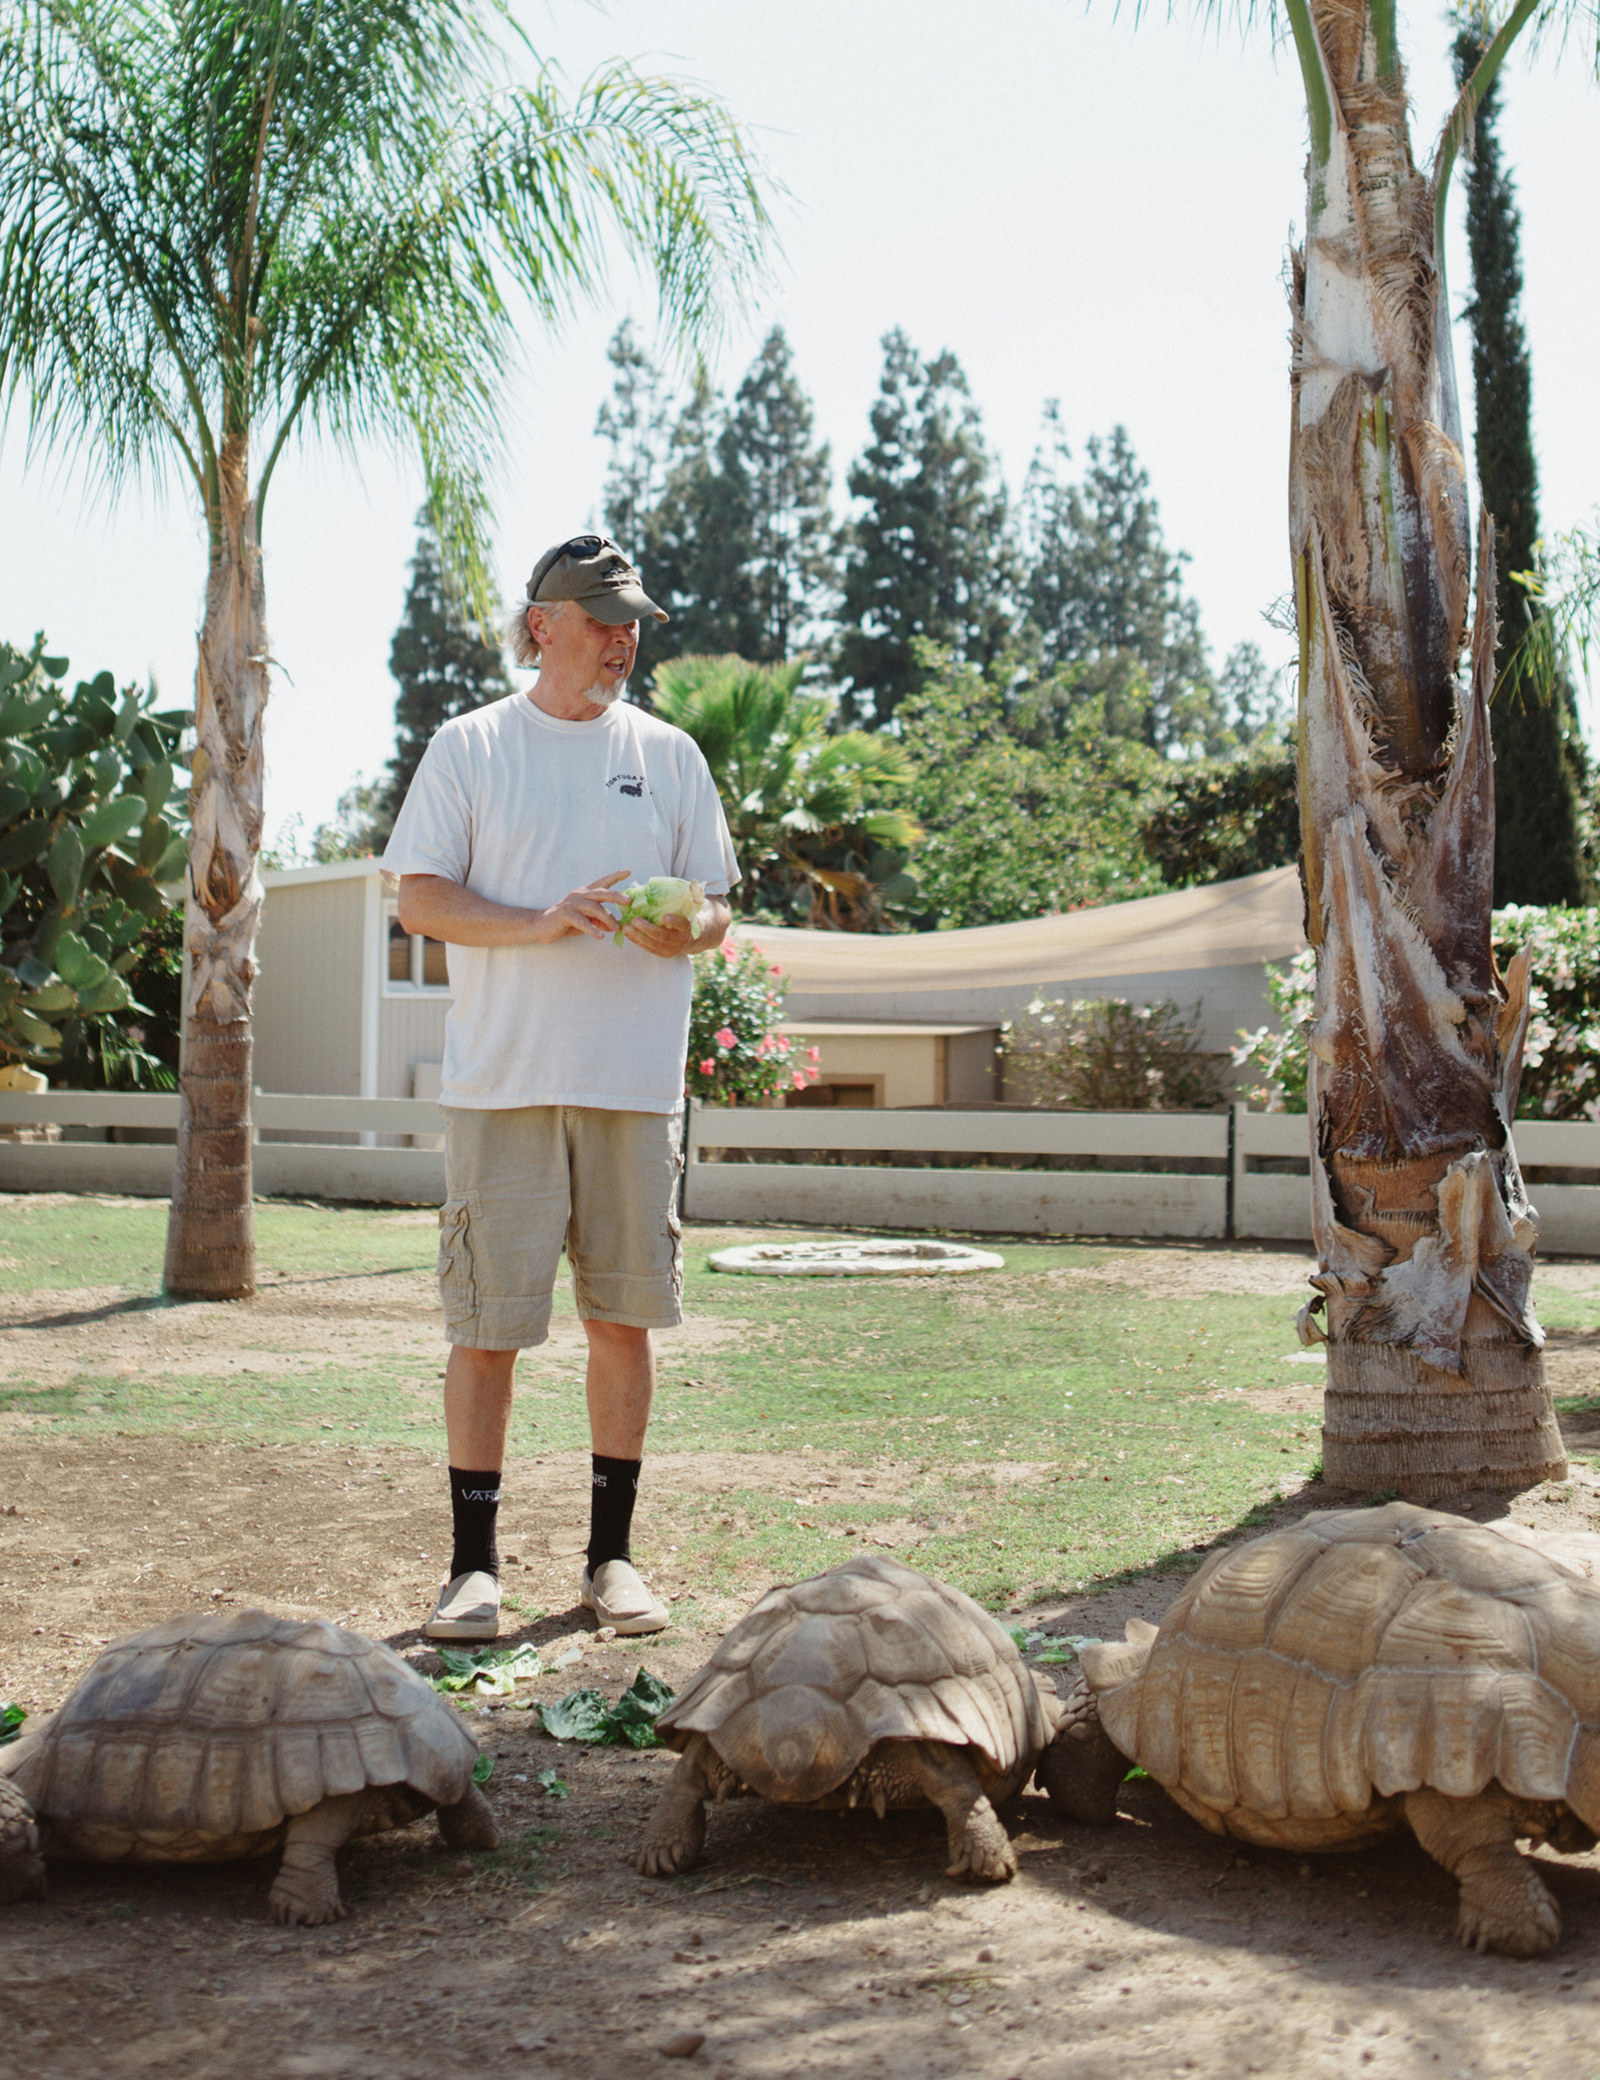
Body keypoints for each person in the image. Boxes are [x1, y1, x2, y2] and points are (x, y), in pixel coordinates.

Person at [382, 533, 738, 1643]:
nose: (622, 638)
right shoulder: (473, 746)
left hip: (634, 1090)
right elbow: (421, 901)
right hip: (505, 1086)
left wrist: (693, 927)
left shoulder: (669, 755)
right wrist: (539, 924)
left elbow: (718, 908)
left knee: (622, 1323)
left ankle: (611, 1559)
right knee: (488, 1327)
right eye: (602, 618)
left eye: (632, 620)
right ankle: (472, 1568)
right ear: (544, 623)